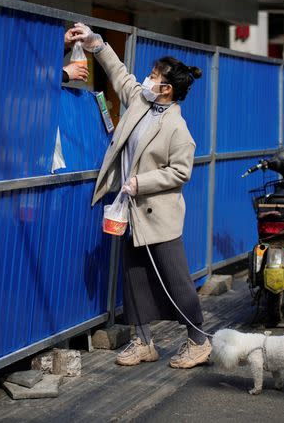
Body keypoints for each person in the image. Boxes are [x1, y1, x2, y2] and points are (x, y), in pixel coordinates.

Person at [67, 22, 211, 369]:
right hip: (131, 210)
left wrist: (140, 183)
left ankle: (199, 340)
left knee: (174, 277)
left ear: (167, 88)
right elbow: (119, 74)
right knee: (133, 276)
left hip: (158, 214)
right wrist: (95, 43)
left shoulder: (178, 128)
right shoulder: (141, 102)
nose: (146, 78)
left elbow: (181, 172)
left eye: (153, 76)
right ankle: (143, 341)